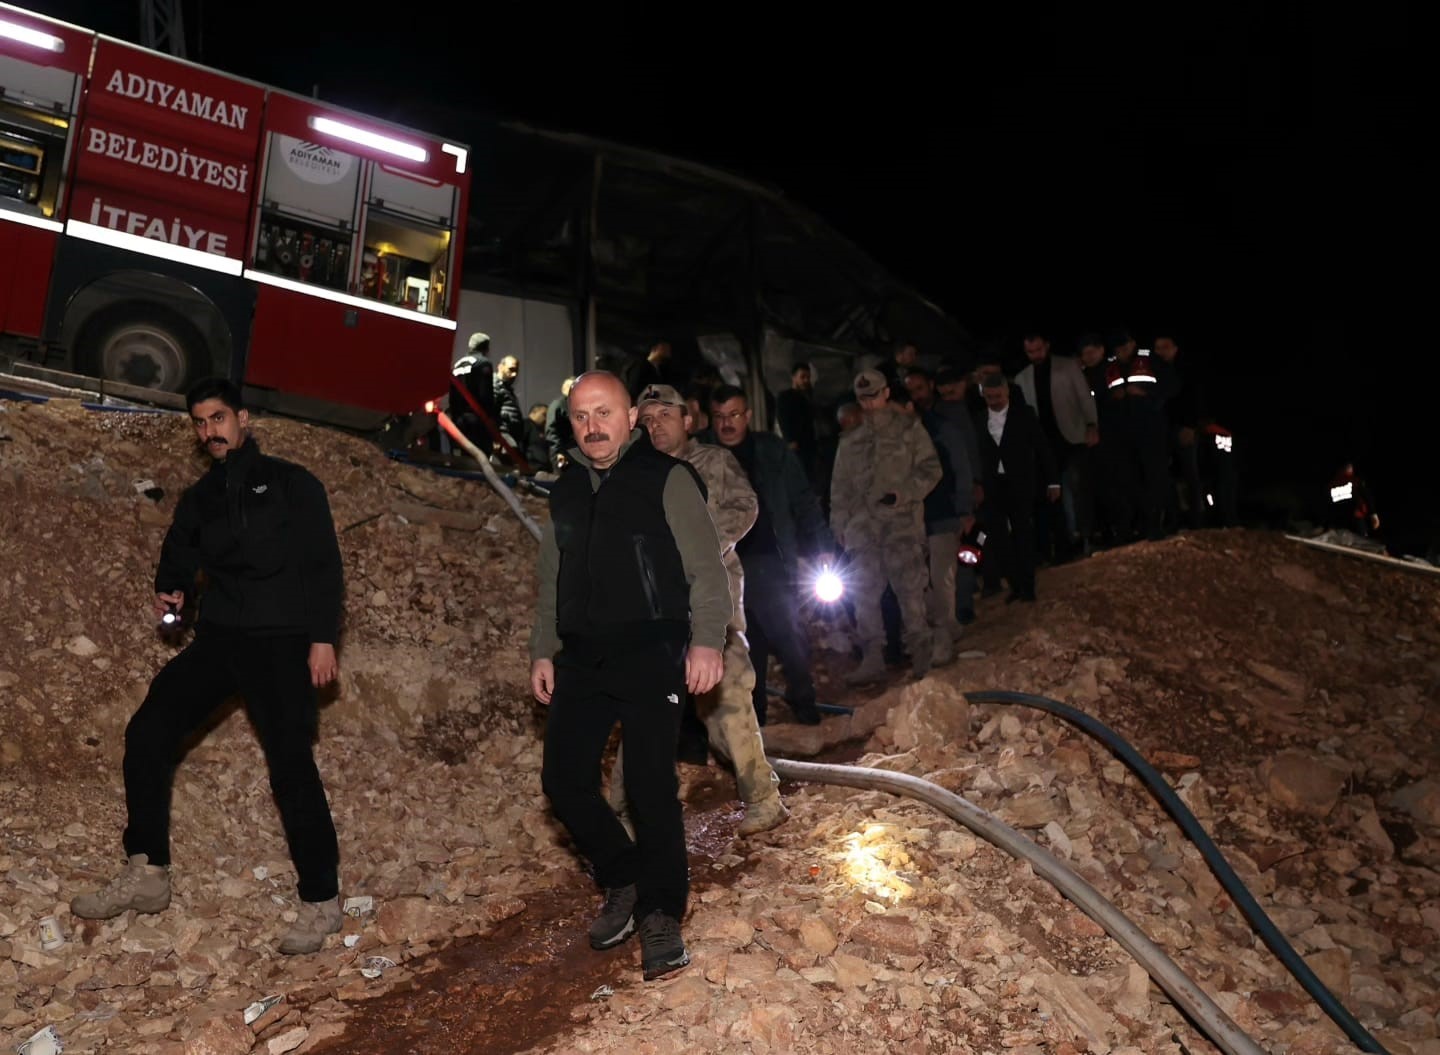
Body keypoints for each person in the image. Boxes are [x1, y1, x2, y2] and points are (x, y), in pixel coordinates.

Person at [70, 378, 345, 955]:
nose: (210, 431)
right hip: (220, 639)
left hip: (283, 641)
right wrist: (171, 595)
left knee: (290, 765)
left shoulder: (295, 484)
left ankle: (320, 901)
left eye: (218, 418)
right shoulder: (201, 498)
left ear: (242, 418)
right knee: (148, 732)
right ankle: (148, 871)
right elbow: (179, 557)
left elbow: (322, 565)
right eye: (199, 422)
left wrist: (323, 640)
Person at [530, 371, 730, 981]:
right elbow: (551, 580)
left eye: (604, 413)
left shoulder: (667, 479)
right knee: (564, 782)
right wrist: (544, 649)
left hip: (653, 649)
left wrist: (706, 642)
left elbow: (706, 569)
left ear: (630, 418)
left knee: (648, 785)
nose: (593, 426)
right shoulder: (565, 490)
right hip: (583, 657)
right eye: (582, 416)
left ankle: (661, 913)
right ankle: (624, 874)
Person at [613, 383, 789, 835]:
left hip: (711, 599)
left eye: (665, 417)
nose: (656, 426)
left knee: (726, 700)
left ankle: (764, 800)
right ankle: (623, 812)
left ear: (687, 420)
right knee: (643, 702)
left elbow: (745, 505)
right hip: (656, 608)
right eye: (647, 420)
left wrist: (702, 544)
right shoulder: (636, 471)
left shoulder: (713, 462)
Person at [710, 383, 832, 726]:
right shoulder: (705, 458)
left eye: (734, 415)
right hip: (727, 565)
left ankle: (804, 704)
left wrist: (821, 546)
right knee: (746, 647)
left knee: (787, 634)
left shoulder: (772, 452)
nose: (727, 424)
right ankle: (756, 717)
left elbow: (802, 500)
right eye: (719, 417)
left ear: (748, 415)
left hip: (771, 559)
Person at [831, 370, 943, 684]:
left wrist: (906, 493)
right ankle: (873, 656)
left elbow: (932, 468)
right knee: (863, 593)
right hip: (863, 529)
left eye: (874, 395)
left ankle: (921, 652)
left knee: (910, 590)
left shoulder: (908, 429)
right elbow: (839, 487)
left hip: (901, 524)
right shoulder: (851, 439)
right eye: (863, 398)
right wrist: (838, 524)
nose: (869, 403)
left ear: (885, 394)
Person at [973, 371, 1060, 602]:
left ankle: (1028, 587)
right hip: (993, 486)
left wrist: (1053, 481)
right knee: (999, 539)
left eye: (998, 396)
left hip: (1020, 483)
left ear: (1007, 392)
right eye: (989, 397)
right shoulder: (981, 418)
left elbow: (1042, 448)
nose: (994, 401)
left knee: (1023, 534)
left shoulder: (1024, 414)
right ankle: (1015, 584)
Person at [448, 332, 497, 456]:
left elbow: (452, 395)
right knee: (480, 456)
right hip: (477, 420)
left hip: (460, 419)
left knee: (465, 456)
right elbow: (485, 394)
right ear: (486, 347)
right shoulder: (483, 363)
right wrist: (490, 418)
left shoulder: (457, 365)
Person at [493, 354, 526, 459]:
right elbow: (491, 411)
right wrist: (495, 438)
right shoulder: (495, 384)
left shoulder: (507, 388)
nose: (514, 374)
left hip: (510, 434)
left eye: (516, 370)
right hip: (503, 435)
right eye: (511, 369)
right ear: (500, 367)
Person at [544, 377, 576, 469]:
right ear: (563, 388)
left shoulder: (576, 405)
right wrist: (558, 452)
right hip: (563, 453)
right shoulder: (558, 405)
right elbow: (551, 431)